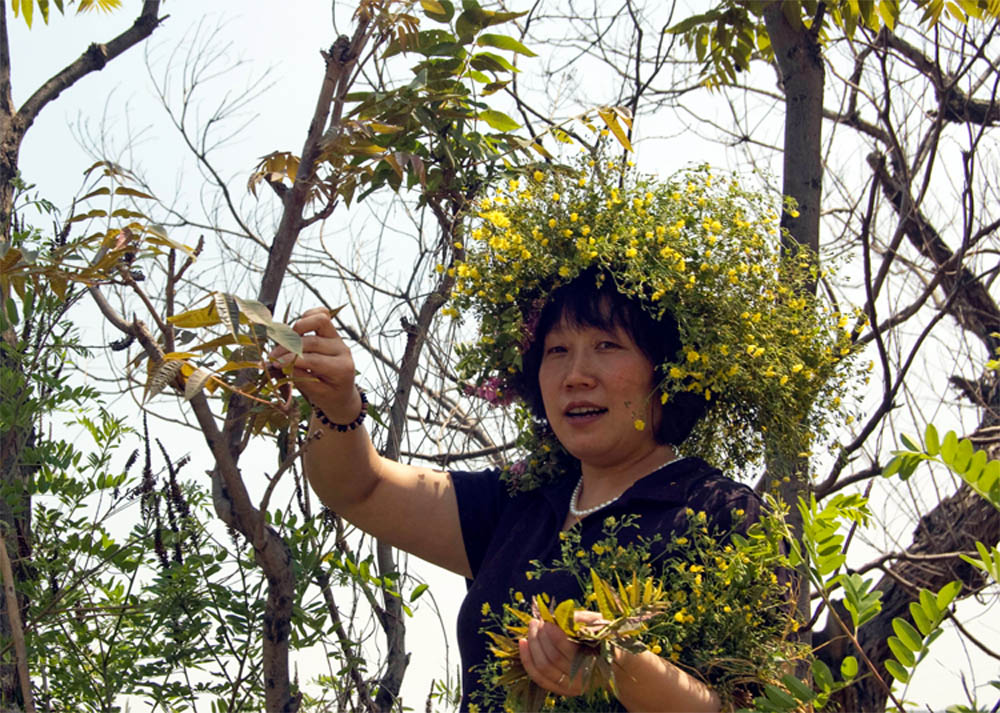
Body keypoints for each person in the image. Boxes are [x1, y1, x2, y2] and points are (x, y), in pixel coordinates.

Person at [271, 270, 765, 712]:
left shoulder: (723, 515)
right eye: (557, 351)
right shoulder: (522, 501)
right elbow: (361, 489)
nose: (576, 376)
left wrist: (618, 665)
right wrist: (338, 405)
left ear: (669, 368)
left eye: (607, 345)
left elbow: (757, 704)